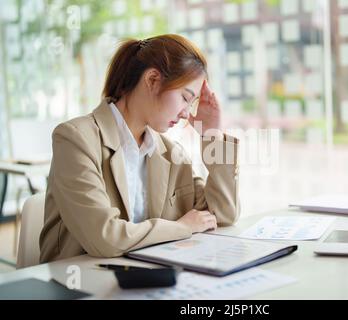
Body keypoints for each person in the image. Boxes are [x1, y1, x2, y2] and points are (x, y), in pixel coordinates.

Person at [39, 34, 240, 263]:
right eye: (185, 98)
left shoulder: (171, 153)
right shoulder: (75, 139)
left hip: (144, 281)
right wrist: (182, 227)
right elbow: (105, 238)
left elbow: (221, 215)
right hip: (79, 285)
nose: (187, 113)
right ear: (153, 80)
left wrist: (211, 135)